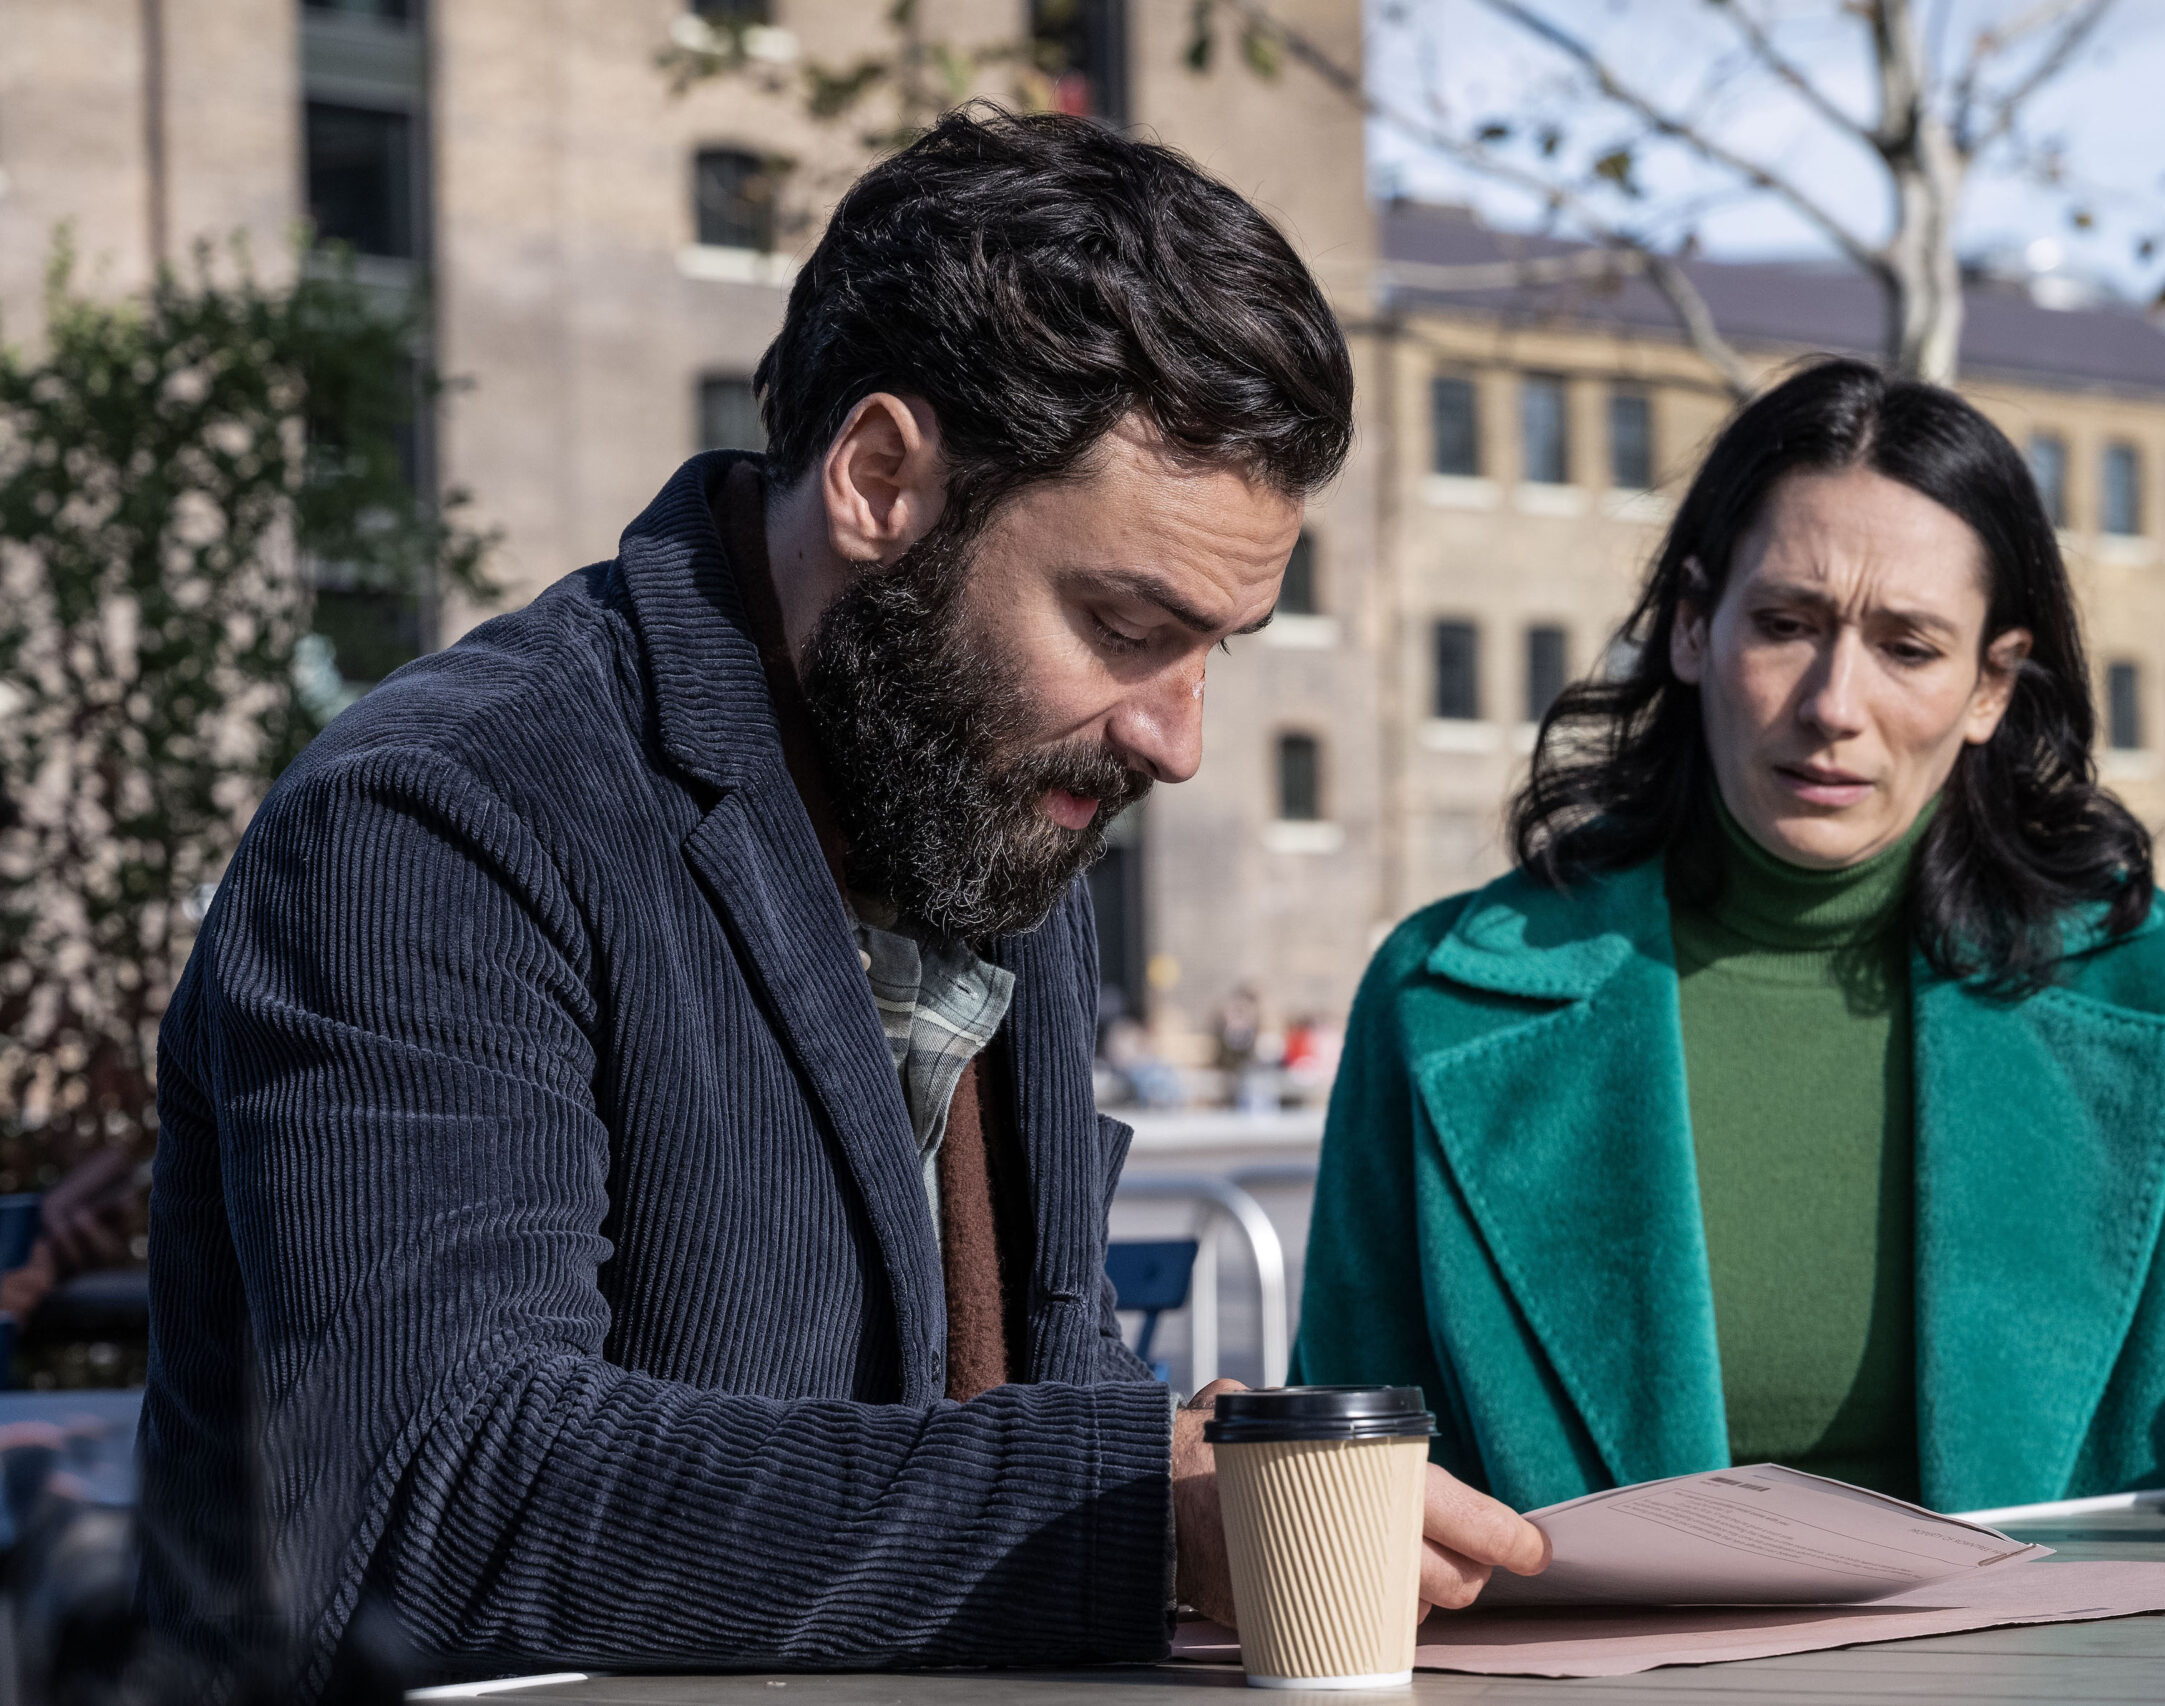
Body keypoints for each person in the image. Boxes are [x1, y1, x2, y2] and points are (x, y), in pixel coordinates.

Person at [142, 111, 1542, 1696]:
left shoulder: (980, 795)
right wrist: (1128, 1502)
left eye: (1218, 644)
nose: (1179, 736)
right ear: (881, 477)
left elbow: (1018, 1387)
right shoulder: (441, 819)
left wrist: (1204, 1480)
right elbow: (435, 1496)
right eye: (1125, 620)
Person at [1294, 359, 2165, 1533]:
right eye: (1786, 622)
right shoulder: (1443, 996)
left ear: (1991, 688)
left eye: (1907, 645)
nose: (1834, 703)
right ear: (1691, 628)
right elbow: (1350, 1458)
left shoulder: (2153, 983)